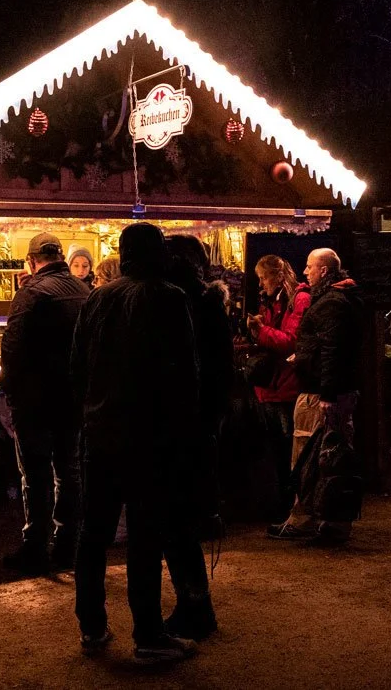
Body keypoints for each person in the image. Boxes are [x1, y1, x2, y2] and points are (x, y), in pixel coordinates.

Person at [71, 223, 201, 664]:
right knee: (146, 537)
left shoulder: (98, 298)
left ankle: (92, 627)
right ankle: (148, 635)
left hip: (100, 433)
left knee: (93, 535)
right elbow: (185, 374)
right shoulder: (168, 297)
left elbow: (76, 368)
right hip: (150, 435)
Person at [0, 233, 92, 574]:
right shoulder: (84, 291)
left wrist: (9, 389)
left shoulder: (32, 293)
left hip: (36, 398)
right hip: (73, 397)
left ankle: (35, 547)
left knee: (35, 474)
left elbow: (12, 347)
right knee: (69, 471)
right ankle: (68, 543)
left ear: (32, 260)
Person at [266, 247, 364, 546]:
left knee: (310, 457)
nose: (304, 272)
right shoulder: (341, 300)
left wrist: (326, 392)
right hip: (333, 390)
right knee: (334, 459)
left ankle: (303, 519)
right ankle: (332, 522)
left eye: (309, 267)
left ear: (323, 271)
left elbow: (332, 351)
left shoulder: (331, 303)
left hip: (320, 394)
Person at [160, 234, 229, 640]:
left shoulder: (182, 305)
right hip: (199, 426)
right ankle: (194, 602)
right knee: (182, 519)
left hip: (182, 426)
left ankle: (195, 604)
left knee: (176, 521)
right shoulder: (208, 304)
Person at [246, 254, 312, 516]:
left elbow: (290, 342)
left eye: (264, 277)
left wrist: (261, 331)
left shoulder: (300, 300)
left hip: (285, 387)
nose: (261, 284)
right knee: (276, 451)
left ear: (279, 275)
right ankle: (282, 506)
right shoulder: (272, 302)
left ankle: (291, 509)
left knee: (288, 452)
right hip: (271, 387)